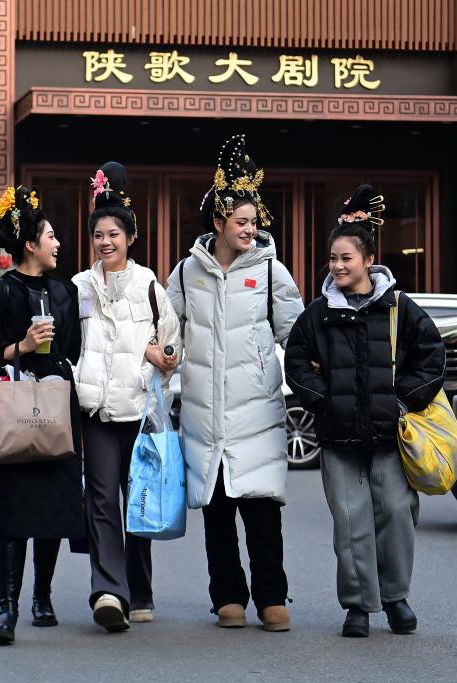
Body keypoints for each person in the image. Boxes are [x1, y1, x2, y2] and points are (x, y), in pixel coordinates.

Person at [283, 184, 445, 638]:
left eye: (346, 259)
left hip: (390, 436)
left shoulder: (400, 308)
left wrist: (402, 402)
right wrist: (323, 401)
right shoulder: (318, 314)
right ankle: (358, 606)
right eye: (332, 259)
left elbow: (432, 359)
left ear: (369, 260)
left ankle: (395, 598)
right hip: (338, 438)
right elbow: (296, 363)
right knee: (350, 523)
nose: (337, 267)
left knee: (396, 512)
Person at [166, 134, 304, 632]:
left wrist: (318, 374)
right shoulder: (187, 273)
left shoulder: (271, 271)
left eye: (253, 221)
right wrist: (162, 358)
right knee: (218, 512)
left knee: (262, 510)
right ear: (219, 223)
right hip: (204, 412)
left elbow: (296, 335)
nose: (250, 229)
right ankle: (227, 595)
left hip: (257, 409)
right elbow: (168, 333)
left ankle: (272, 596)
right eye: (241, 222)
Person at [0, 185, 84, 644]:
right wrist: (21, 347)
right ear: (30, 244)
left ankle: (42, 596)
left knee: (53, 507)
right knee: (13, 510)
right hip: (13, 411)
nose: (57, 244)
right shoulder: (0, 293)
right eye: (50, 236)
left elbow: (74, 349)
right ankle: (7, 608)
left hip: (57, 408)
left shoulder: (64, 292)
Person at [72, 162, 182, 632]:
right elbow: (70, 347)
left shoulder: (150, 287)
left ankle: (141, 592)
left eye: (114, 234)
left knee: (138, 500)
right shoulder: (79, 287)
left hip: (138, 411)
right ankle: (108, 593)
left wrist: (163, 357)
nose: (105, 242)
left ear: (130, 238)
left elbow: (173, 346)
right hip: (96, 410)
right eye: (98, 235)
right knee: (100, 502)